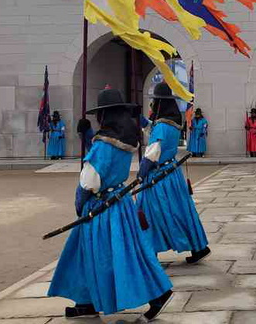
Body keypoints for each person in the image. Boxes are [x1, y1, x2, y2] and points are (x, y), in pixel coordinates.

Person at [47, 88, 173, 321]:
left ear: (104, 115)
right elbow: (103, 158)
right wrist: (87, 136)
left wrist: (79, 201)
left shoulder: (103, 145)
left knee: (108, 257)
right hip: (120, 204)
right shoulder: (124, 140)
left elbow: (90, 180)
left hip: (101, 209)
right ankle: (86, 301)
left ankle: (158, 294)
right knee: (89, 254)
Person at [137, 84, 211, 263]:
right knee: (182, 211)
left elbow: (153, 152)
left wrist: (141, 173)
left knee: (148, 212)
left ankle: (150, 252)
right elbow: (152, 128)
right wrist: (138, 119)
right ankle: (199, 247)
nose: (152, 106)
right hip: (172, 174)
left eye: (154, 102)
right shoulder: (171, 124)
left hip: (158, 177)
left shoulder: (162, 126)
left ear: (159, 103)